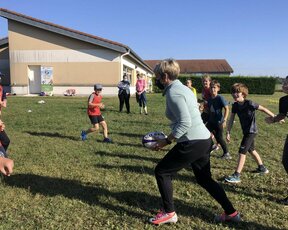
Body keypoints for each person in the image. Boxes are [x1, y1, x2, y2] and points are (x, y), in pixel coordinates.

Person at [149, 59, 241, 225]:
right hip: (203, 139)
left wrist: (166, 141)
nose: (155, 80)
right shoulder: (182, 88)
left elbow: (185, 122)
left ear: (164, 77)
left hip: (193, 142)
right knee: (205, 179)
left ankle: (169, 213)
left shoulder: (174, 92)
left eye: (156, 76)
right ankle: (232, 213)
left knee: (162, 171)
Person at [225, 83, 275, 184]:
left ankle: (237, 175)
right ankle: (262, 168)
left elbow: (263, 109)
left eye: (237, 92)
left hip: (251, 132)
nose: (235, 94)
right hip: (246, 132)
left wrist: (274, 117)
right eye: (233, 92)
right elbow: (231, 119)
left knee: (242, 151)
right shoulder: (235, 106)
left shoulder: (250, 103)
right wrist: (228, 131)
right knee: (251, 150)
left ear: (243, 94)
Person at [265, 76, 288, 205]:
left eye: (286, 83)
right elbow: (282, 115)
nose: (283, 85)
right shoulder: (283, 100)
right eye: (283, 82)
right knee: (286, 161)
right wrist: (273, 119)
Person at [206, 80, 231, 159]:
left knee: (219, 138)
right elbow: (209, 110)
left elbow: (227, 109)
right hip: (211, 121)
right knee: (204, 133)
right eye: (211, 88)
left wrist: (224, 120)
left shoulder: (220, 98)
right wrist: (202, 109)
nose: (212, 89)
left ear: (218, 89)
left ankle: (226, 153)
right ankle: (212, 146)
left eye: (214, 87)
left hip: (218, 122)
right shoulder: (209, 99)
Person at [0, 73, 10, 153]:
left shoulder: (1, 88)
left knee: (5, 141)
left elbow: (4, 99)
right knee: (5, 141)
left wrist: (3, 102)